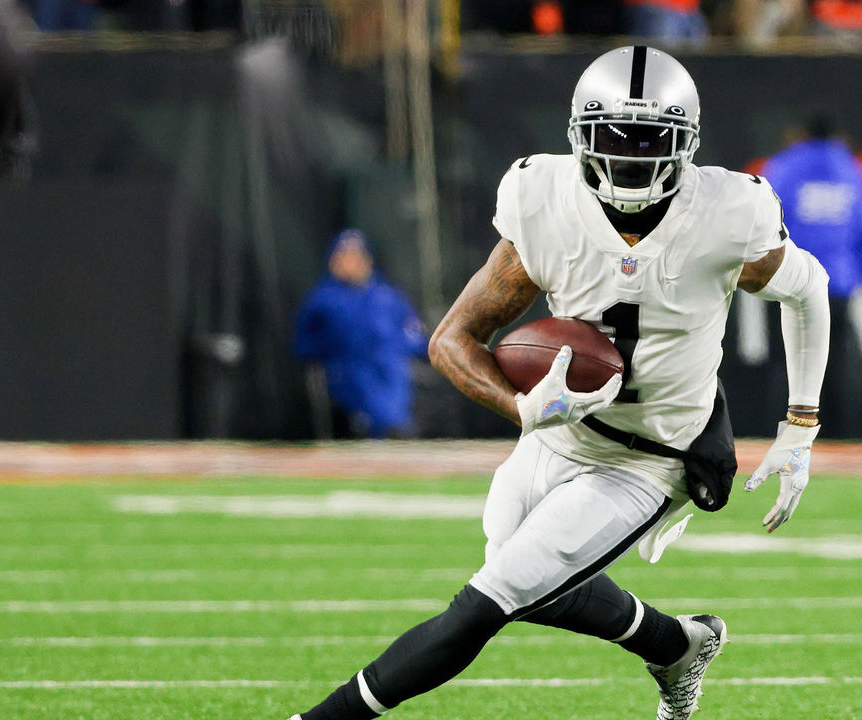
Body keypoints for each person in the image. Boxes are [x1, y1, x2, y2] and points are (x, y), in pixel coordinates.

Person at [287, 46, 831, 720]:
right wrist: (523, 406)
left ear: (685, 145)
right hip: (562, 432)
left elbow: (809, 289)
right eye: (614, 139)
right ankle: (678, 645)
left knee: (485, 601)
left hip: (653, 456)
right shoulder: (542, 200)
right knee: (528, 580)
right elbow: (451, 340)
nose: (631, 157)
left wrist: (800, 425)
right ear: (579, 137)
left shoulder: (727, 211)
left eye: (650, 141)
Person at [760, 114, 862, 437]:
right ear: (838, 134)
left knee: (786, 367)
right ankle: (841, 445)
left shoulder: (782, 168)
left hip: (786, 283)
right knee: (836, 367)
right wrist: (856, 274)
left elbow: (760, 225)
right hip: (836, 286)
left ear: (799, 133)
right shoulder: (853, 172)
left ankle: (783, 439)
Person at [293, 229, 428, 438]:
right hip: (346, 368)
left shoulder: (389, 296)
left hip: (390, 366)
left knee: (395, 375)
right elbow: (304, 344)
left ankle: (395, 425)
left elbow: (414, 335)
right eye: (344, 257)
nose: (350, 263)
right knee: (363, 386)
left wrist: (412, 348)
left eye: (356, 257)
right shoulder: (322, 300)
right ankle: (389, 426)